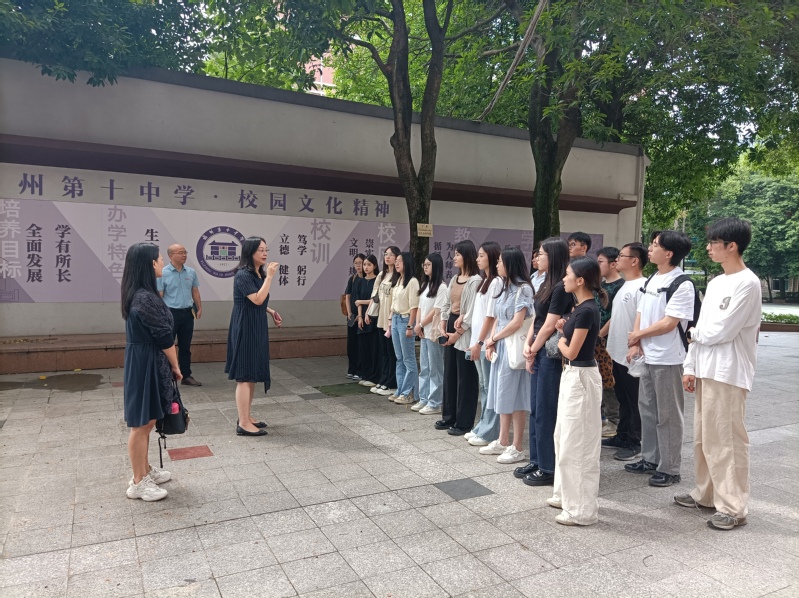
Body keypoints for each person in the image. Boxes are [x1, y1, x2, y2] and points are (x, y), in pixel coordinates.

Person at [676, 217, 762, 531]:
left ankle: (733, 507)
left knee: (727, 440)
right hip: (707, 369)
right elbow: (702, 329)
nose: (709, 248)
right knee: (705, 438)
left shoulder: (748, 283)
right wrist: (690, 366)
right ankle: (706, 494)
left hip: (729, 371)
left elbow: (723, 330)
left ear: (732, 246)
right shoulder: (715, 283)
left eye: (714, 243)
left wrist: (694, 334)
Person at [626, 230, 693, 487]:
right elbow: (641, 311)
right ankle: (650, 459)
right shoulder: (654, 277)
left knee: (668, 415)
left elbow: (669, 323)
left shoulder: (682, 283)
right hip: (648, 354)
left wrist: (638, 335)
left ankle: (670, 468)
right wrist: (637, 341)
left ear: (669, 253)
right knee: (647, 409)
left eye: (655, 245)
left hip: (668, 358)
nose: (650, 249)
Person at [548, 257, 605, 526]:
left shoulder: (586, 310)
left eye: (568, 274)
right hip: (573, 375)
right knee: (564, 436)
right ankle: (565, 495)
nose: (564, 279)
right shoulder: (580, 308)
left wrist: (560, 339)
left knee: (578, 443)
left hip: (581, 376)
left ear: (580, 280)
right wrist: (564, 329)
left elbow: (571, 351)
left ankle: (581, 510)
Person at [121, 242, 180, 502]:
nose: (162, 263)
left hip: (146, 359)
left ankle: (145, 470)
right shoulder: (144, 297)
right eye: (159, 259)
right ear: (150, 263)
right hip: (146, 361)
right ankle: (138, 482)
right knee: (142, 423)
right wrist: (176, 365)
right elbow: (164, 337)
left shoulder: (141, 293)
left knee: (149, 419)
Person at [519, 237, 573, 486]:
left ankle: (548, 467)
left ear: (553, 256)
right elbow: (537, 320)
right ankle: (537, 459)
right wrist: (528, 345)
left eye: (541, 253)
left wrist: (533, 349)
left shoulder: (561, 287)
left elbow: (550, 325)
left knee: (546, 411)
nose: (537, 257)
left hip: (549, 355)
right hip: (538, 349)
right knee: (535, 409)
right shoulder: (543, 283)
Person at [225, 237, 282, 437]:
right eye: (260, 250)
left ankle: (247, 416)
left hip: (256, 325)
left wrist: (271, 311)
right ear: (250, 253)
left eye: (266, 250)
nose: (265, 253)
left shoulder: (257, 273)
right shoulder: (243, 274)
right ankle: (242, 422)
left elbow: (257, 301)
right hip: (245, 327)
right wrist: (270, 277)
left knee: (251, 374)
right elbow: (256, 299)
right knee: (244, 375)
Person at [481, 247, 533, 464]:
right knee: (502, 393)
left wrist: (494, 338)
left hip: (513, 347)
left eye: (500, 261)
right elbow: (497, 318)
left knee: (516, 396)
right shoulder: (505, 287)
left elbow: (517, 322)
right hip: (501, 345)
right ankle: (503, 440)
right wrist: (491, 341)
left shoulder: (524, 289)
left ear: (510, 264)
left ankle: (517, 446)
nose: (497, 265)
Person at [604, 242, 648, 461]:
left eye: (622, 256)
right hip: (616, 351)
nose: (617, 259)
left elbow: (645, 320)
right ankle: (622, 435)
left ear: (634, 261)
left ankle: (634, 441)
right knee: (622, 397)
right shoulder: (625, 286)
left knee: (634, 399)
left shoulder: (643, 286)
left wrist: (636, 343)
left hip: (631, 354)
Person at [436, 240, 482, 435]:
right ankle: (449, 417)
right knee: (450, 374)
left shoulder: (475, 280)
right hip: (450, 324)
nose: (454, 257)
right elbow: (446, 304)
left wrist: (457, 334)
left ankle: (464, 422)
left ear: (466, 256)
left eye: (457, 254)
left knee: (466, 377)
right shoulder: (455, 278)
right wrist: (442, 323)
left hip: (465, 330)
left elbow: (471, 312)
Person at [465, 241, 502, 447]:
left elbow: (491, 317)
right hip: (477, 340)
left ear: (492, 257)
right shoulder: (485, 281)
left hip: (486, 342)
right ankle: (482, 425)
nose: (477, 259)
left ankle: (489, 431)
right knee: (483, 385)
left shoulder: (496, 282)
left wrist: (481, 342)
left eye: (481, 255)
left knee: (489, 386)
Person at [158, 244, 202, 387]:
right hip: (170, 313)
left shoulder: (190, 272)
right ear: (171, 256)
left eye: (185, 252)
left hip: (188, 313)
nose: (184, 255)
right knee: (167, 345)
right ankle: (166, 376)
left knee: (185, 346)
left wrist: (199, 307)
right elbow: (159, 295)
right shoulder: (163, 273)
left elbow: (195, 291)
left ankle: (186, 376)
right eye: (180, 252)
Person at [413, 253, 447, 415]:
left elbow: (436, 311)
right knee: (425, 368)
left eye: (428, 265)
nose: (425, 267)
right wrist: (418, 325)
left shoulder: (442, 287)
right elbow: (420, 307)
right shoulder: (425, 285)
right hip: (423, 332)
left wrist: (420, 324)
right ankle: (424, 398)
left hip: (433, 333)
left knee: (435, 368)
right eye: (424, 265)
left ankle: (435, 402)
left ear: (436, 266)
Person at [596, 247, 624, 438]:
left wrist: (600, 334)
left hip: (608, 340)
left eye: (601, 261)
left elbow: (615, 316)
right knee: (598, 380)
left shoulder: (621, 286)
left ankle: (614, 421)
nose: (598, 265)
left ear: (613, 264)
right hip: (596, 340)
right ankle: (602, 418)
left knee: (609, 381)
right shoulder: (600, 285)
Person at [365, 246, 400, 397]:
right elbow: (374, 296)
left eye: (391, 254)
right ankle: (384, 379)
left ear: (397, 257)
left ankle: (391, 383)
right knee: (384, 352)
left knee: (392, 352)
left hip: (391, 320)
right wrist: (367, 312)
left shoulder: (399, 276)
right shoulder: (382, 275)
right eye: (386, 254)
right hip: (381, 318)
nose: (388, 257)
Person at [389, 252, 420, 405]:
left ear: (407, 263)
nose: (396, 263)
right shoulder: (398, 280)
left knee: (408, 358)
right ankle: (400, 390)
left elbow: (414, 306)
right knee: (399, 358)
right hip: (395, 319)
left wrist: (410, 326)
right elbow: (393, 303)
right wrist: (390, 320)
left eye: (400, 261)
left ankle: (409, 393)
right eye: (396, 261)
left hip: (405, 320)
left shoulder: (412, 282)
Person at [354, 255, 381, 387]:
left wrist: (361, 302)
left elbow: (375, 299)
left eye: (369, 265)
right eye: (364, 264)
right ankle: (365, 374)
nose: (366, 267)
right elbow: (357, 301)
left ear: (374, 266)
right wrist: (359, 316)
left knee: (373, 348)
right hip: (362, 318)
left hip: (373, 317)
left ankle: (374, 377)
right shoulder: (360, 281)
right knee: (363, 348)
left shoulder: (377, 281)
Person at [345, 254, 365, 380]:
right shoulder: (352, 278)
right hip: (351, 315)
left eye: (360, 262)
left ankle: (359, 370)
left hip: (362, 315)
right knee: (351, 343)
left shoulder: (367, 279)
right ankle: (351, 369)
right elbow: (347, 296)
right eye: (356, 263)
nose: (358, 265)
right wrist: (349, 313)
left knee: (360, 343)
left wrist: (360, 314)